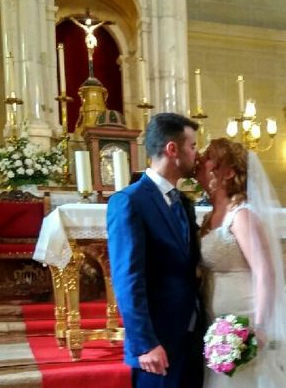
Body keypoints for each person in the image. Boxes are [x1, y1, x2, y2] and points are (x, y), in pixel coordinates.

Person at [195, 138, 286, 388]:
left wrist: (259, 327)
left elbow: (266, 272)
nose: (201, 158)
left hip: (245, 318)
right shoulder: (211, 215)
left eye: (209, 156)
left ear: (229, 171)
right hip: (217, 322)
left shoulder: (241, 215)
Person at [107, 113, 203, 388]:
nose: (197, 154)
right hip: (156, 344)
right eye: (193, 146)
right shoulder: (130, 201)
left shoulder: (184, 202)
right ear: (173, 149)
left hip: (191, 336)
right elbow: (128, 279)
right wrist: (145, 344)